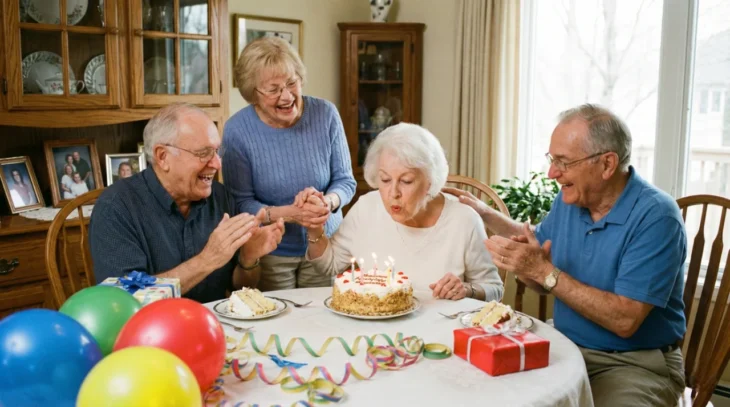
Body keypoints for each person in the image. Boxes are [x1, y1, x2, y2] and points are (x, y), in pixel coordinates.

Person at [447, 104, 686, 406]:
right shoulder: (571, 200)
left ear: (607, 164)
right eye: (552, 159)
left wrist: (542, 272)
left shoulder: (656, 216)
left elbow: (625, 320)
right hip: (563, 345)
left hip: (633, 364)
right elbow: (541, 264)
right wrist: (484, 214)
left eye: (563, 162)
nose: (552, 173)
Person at [89, 103, 285, 303]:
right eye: (203, 153)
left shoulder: (221, 197)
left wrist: (248, 259)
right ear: (163, 157)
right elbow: (126, 300)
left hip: (215, 327)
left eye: (217, 151)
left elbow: (240, 288)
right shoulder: (115, 208)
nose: (217, 163)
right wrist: (207, 260)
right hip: (152, 331)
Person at [305, 122, 503, 301]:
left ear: (431, 181)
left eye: (406, 181)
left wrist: (468, 289)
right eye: (385, 180)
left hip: (440, 333)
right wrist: (314, 229)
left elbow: (494, 289)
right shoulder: (366, 208)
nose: (393, 193)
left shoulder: (463, 220)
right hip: (375, 333)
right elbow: (327, 266)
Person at [222, 37, 356, 291]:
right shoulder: (237, 130)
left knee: (325, 319)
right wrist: (290, 214)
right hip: (272, 250)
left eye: (292, 83)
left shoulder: (325, 114)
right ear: (253, 94)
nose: (286, 96)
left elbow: (345, 181)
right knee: (277, 322)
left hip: (326, 245)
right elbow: (240, 202)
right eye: (273, 90)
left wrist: (327, 204)